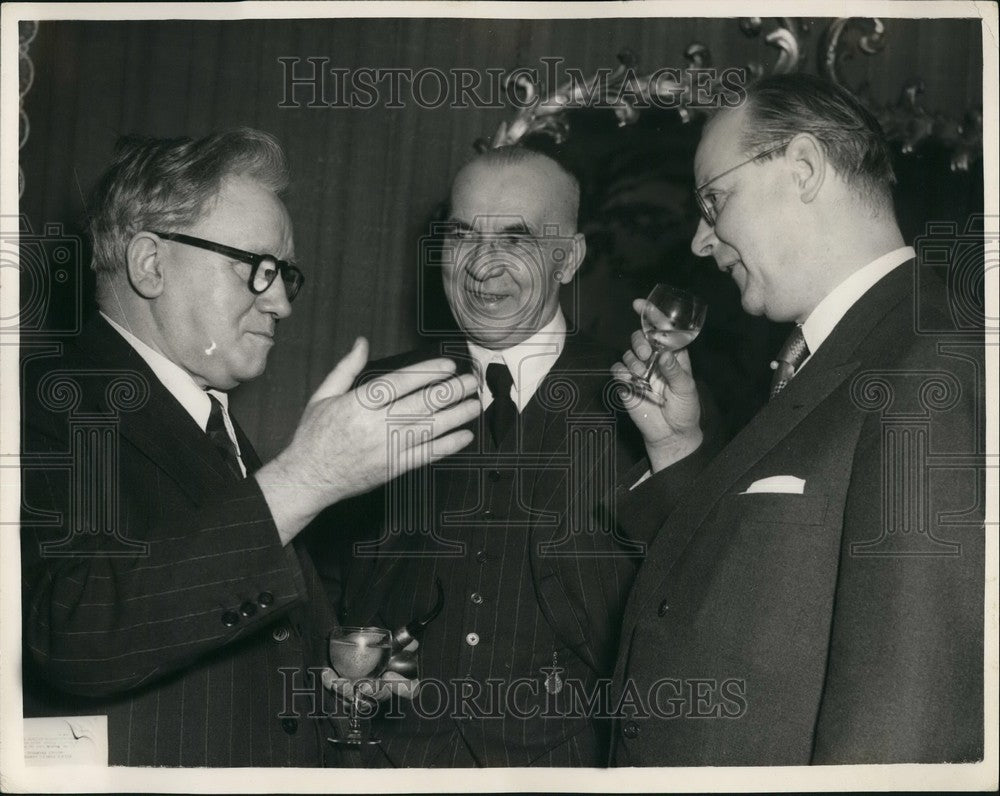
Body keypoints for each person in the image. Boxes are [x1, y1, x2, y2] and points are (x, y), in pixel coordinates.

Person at [19, 128, 480, 767]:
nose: (283, 301)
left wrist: (337, 682)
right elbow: (70, 633)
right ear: (151, 264)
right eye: (257, 268)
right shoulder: (41, 400)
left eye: (287, 274)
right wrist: (307, 477)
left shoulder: (210, 423)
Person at [610, 73, 984, 765]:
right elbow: (763, 602)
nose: (700, 241)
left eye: (714, 202)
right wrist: (679, 448)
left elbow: (907, 721)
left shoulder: (928, 366)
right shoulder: (830, 353)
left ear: (804, 168)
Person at [320, 147, 646, 767]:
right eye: (462, 235)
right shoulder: (382, 394)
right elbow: (326, 586)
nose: (481, 265)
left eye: (516, 239)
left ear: (568, 259)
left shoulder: (640, 400)